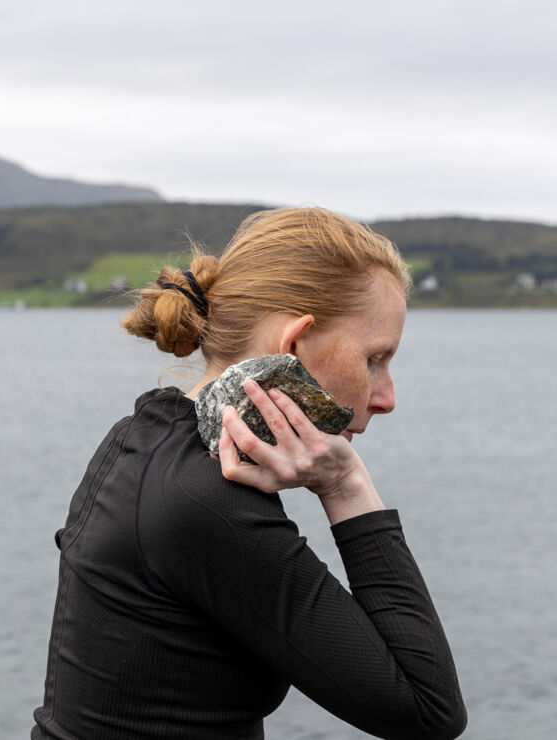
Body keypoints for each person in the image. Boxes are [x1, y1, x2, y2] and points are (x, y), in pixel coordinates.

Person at [32, 207, 467, 739]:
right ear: (294, 346)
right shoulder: (206, 502)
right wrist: (345, 486)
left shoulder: (139, 437)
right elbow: (429, 710)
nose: (386, 398)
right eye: (375, 359)